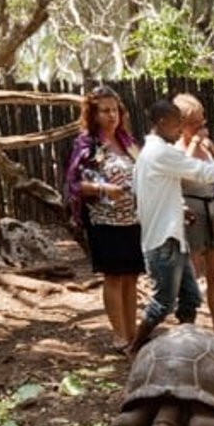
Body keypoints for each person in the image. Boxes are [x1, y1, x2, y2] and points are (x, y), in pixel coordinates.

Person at [126, 98, 214, 356]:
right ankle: (134, 348)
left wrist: (178, 210)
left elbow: (146, 194)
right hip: (164, 240)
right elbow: (203, 173)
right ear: (161, 122)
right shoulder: (161, 153)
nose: (180, 130)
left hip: (171, 235)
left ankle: (186, 348)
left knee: (190, 299)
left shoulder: (147, 155)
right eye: (176, 124)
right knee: (162, 303)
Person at [65, 84, 143, 351]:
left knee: (132, 276)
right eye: (105, 111)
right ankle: (119, 335)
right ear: (93, 114)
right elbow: (75, 184)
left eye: (115, 110)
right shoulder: (86, 145)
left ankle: (134, 334)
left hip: (133, 219)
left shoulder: (128, 142)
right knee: (114, 276)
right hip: (104, 220)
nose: (111, 116)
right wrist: (103, 188)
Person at [173, 92, 214, 335]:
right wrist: (194, 143)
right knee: (193, 272)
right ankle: (189, 327)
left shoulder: (208, 145)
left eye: (201, 121)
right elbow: (182, 170)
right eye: (194, 123)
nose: (200, 127)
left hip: (213, 207)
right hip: (192, 210)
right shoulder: (177, 149)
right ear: (181, 125)